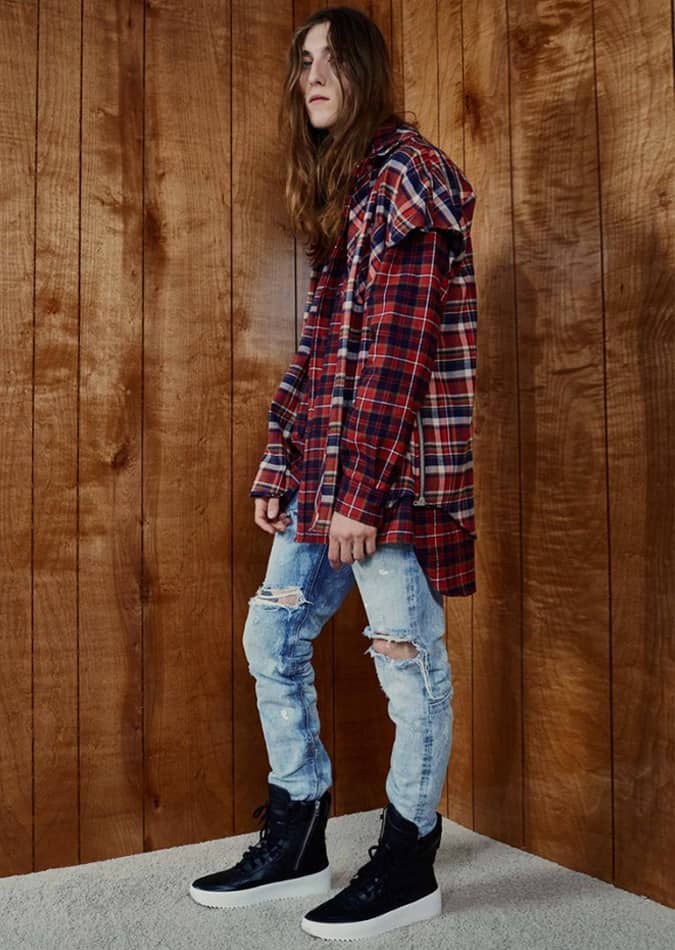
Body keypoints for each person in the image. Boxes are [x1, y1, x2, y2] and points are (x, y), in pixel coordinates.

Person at [190, 5, 478, 941]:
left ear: (368, 73)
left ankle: (408, 858)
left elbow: (397, 358)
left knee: (406, 663)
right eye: (302, 61)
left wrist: (357, 492)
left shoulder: (409, 180)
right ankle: (300, 828)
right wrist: (282, 458)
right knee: (270, 640)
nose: (311, 75)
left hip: (379, 484)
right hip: (324, 476)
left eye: (331, 60)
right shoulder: (350, 195)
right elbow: (320, 352)